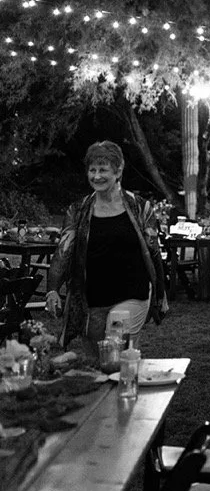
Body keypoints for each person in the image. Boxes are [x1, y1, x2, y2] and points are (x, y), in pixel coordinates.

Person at [47, 141, 169, 348]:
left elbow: (153, 251)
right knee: (99, 366)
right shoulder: (77, 210)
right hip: (92, 300)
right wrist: (52, 289)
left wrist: (160, 293)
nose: (96, 176)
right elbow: (63, 252)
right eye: (92, 170)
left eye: (103, 170)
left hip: (134, 292)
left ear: (118, 170)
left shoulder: (140, 207)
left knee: (116, 346)